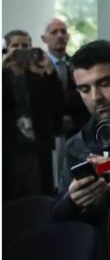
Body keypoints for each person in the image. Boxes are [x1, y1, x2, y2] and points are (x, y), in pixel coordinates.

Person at [49, 40, 110, 247]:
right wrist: (73, 201)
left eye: (104, 84)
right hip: (99, 253)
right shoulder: (76, 145)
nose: (96, 97)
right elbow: (56, 217)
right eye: (85, 89)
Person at [2, 30, 64, 198]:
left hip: (36, 148)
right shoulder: (3, 77)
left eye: (25, 46)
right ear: (5, 49)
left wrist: (49, 70)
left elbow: (58, 104)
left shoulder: (38, 79)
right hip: (8, 148)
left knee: (37, 196)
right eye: (15, 46)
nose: (20, 49)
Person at [42, 18, 90, 137]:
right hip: (48, 130)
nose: (60, 36)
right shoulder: (37, 66)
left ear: (68, 36)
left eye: (63, 32)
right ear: (44, 38)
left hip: (77, 128)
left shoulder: (78, 64)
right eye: (54, 32)